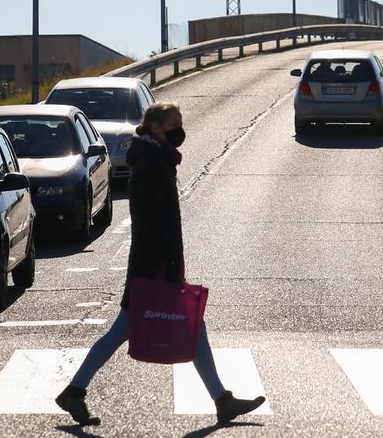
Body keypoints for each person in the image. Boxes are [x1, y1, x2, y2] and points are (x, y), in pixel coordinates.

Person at [56, 101, 265, 426]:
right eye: (175, 123)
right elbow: (149, 220)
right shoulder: (153, 163)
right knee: (128, 330)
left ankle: (222, 400)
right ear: (156, 128)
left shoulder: (156, 159)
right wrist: (166, 262)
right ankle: (74, 390)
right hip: (152, 263)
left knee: (185, 326)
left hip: (153, 261)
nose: (180, 129)